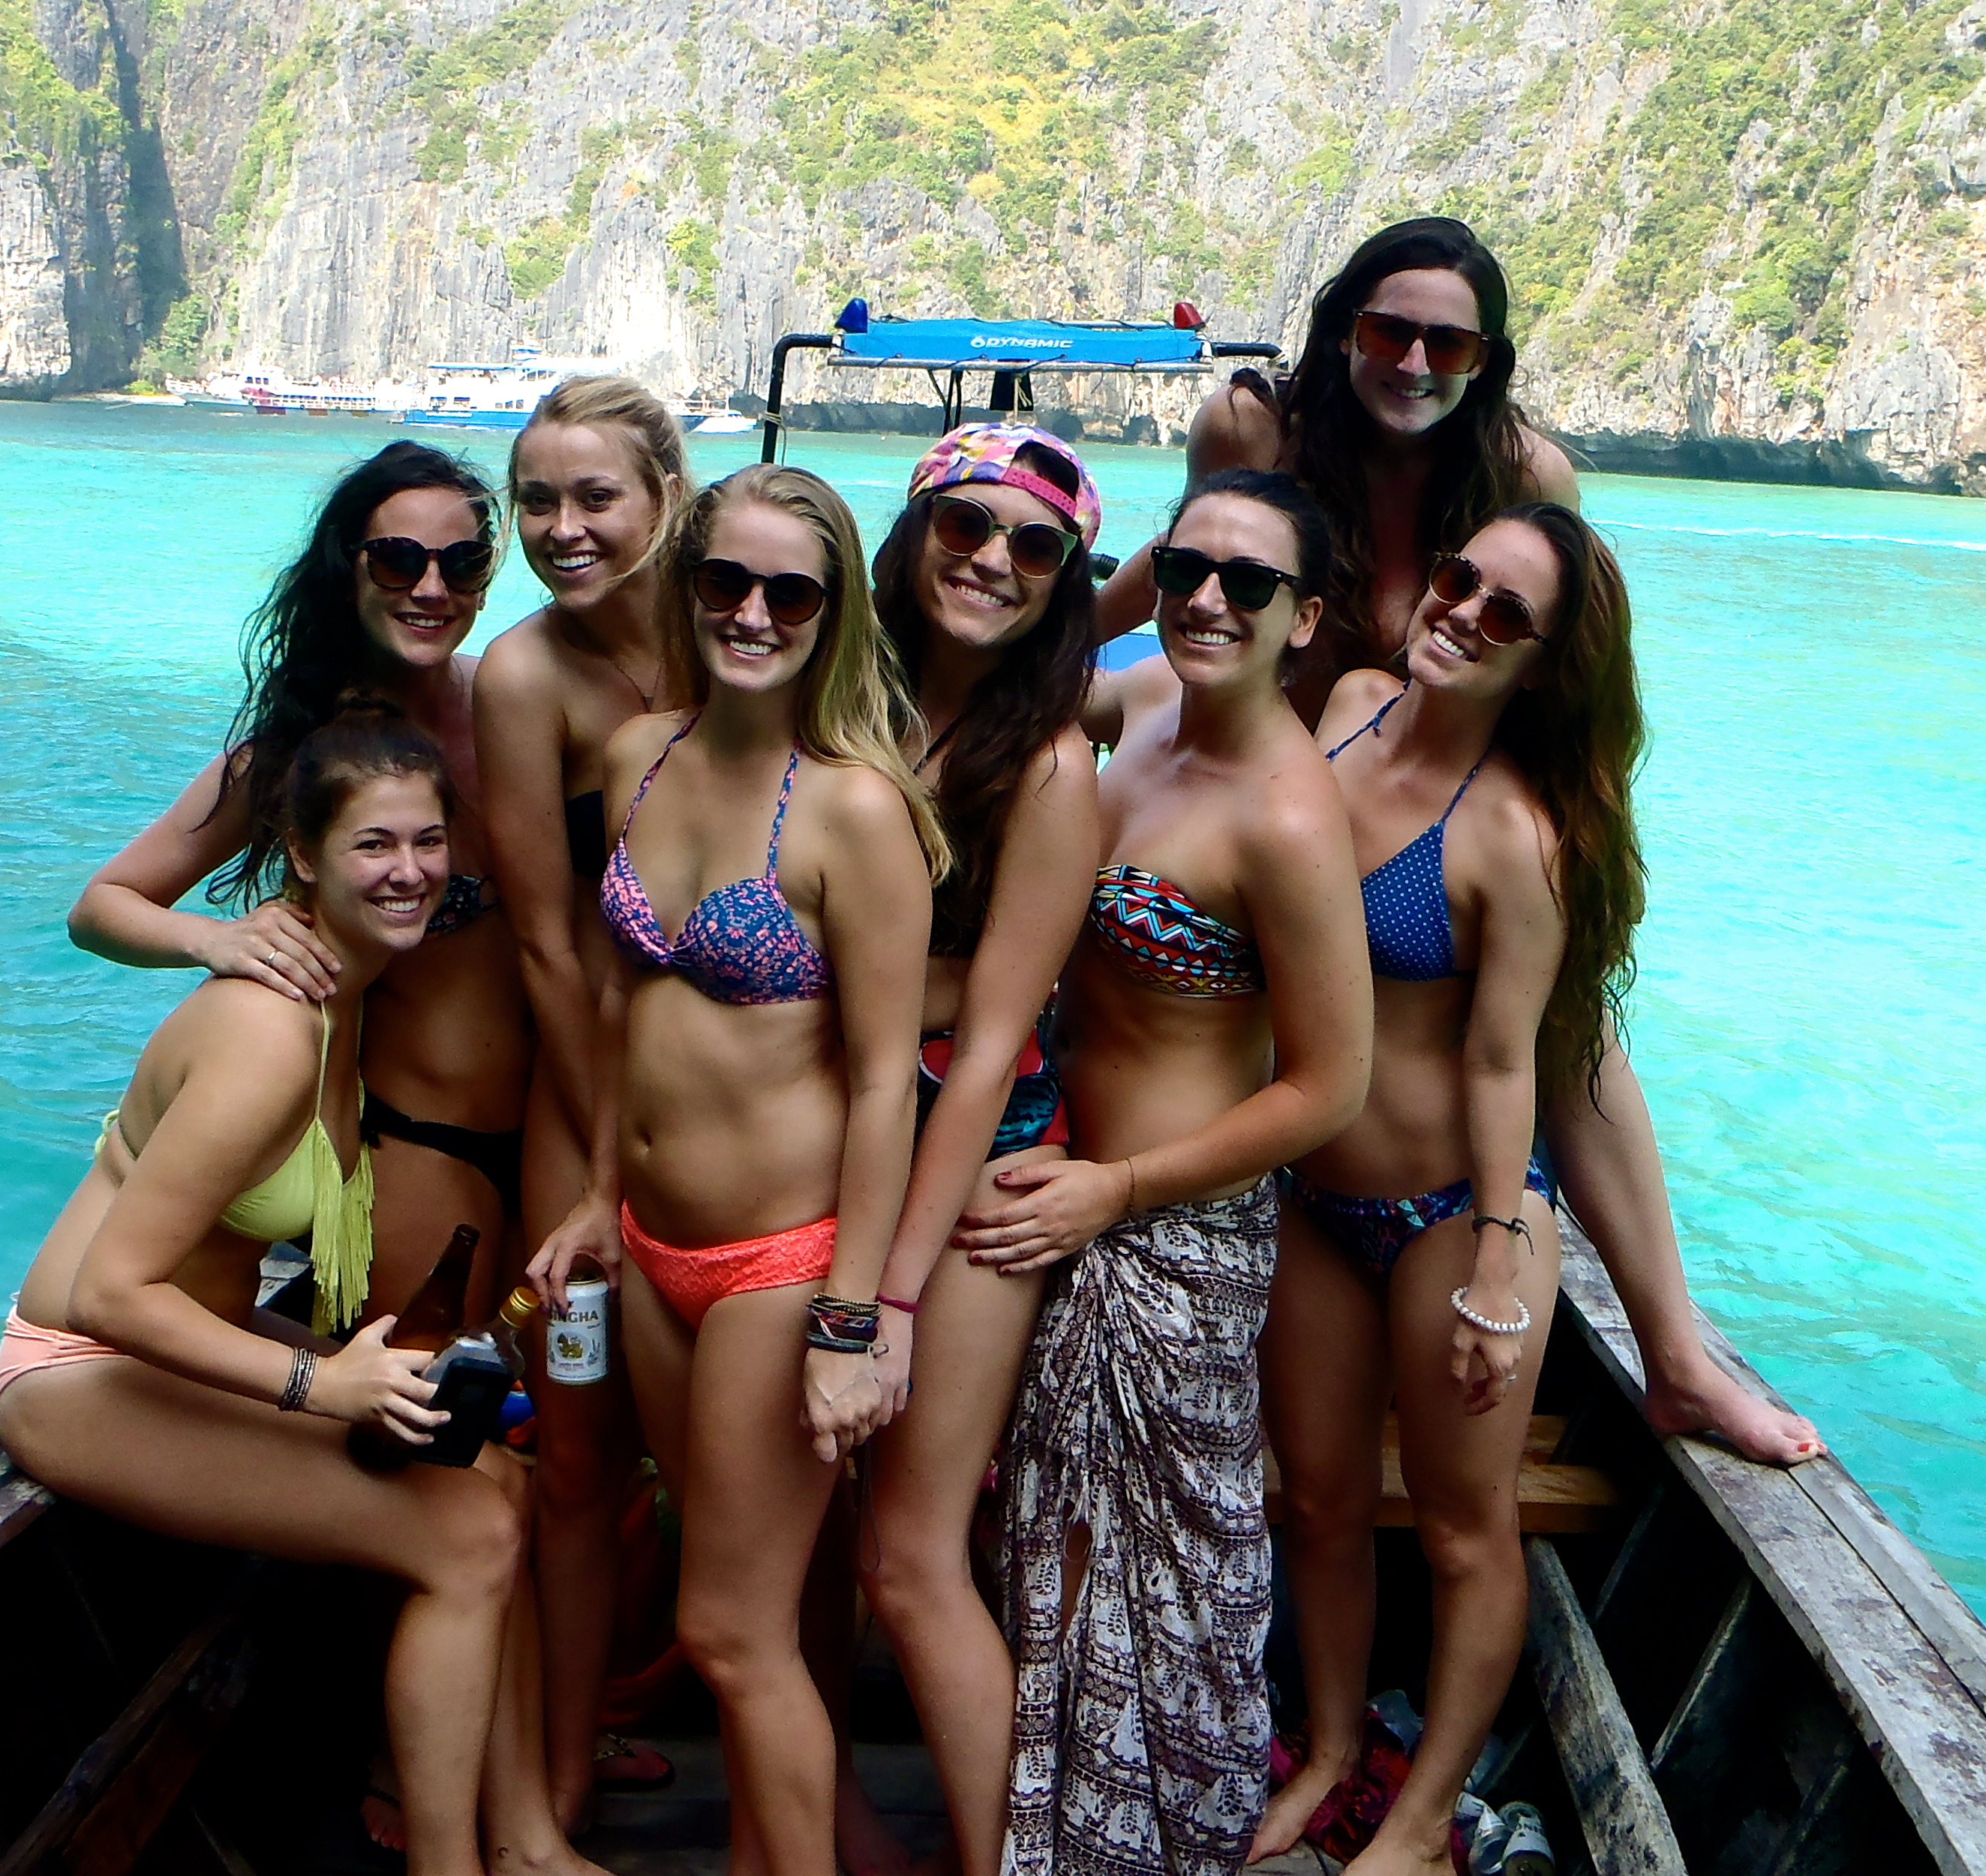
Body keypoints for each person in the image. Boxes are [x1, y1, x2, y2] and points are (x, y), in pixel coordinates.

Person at [1105, 217, 1819, 1469]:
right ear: (1343, 328)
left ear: (1488, 359)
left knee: (1565, 1021)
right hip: (1292, 783)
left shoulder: (1524, 471)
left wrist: (1569, 833)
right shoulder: (1256, 431)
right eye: (1390, 330)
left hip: (1447, 790)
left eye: (1451, 343)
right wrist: (1031, 648)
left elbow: (1568, 634)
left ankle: (1675, 1356)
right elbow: (1183, 568)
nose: (1415, 362)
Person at [0, 715, 590, 1876]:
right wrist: (324, 1383)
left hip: (186, 1346)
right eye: (374, 845)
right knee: (468, 1537)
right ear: (305, 856)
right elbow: (112, 1291)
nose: (410, 871)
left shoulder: (345, 996)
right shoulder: (268, 1033)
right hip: (80, 1372)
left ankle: (525, 1844)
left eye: (428, 841)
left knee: (498, 1479)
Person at [532, 464, 942, 1876]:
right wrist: (598, 1194)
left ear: (834, 615)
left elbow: (885, 1082)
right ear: (687, 583)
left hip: (781, 1263)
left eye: (790, 592)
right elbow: (614, 997)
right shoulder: (635, 753)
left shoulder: (856, 812)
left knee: (726, 1630)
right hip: (650, 1247)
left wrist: (850, 1318)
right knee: (744, 1625)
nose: (753, 613)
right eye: (726, 581)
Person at [969, 468, 1373, 1876]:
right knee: (1048, 1549)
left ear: (1303, 619)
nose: (1207, 600)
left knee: (1154, 1573)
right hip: (1057, 1183)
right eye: (1185, 568)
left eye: (1248, 583)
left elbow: (1329, 1084)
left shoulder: (1287, 816)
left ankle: (1146, 1845)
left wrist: (1121, 1190)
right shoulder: (1135, 710)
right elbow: (1003, 676)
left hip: (1172, 1234)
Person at [1254, 506, 1642, 1871]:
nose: (1464, 612)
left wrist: (1495, 1266)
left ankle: (1423, 1822)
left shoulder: (1515, 837)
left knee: (1464, 1528)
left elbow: (1500, 1063)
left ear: (1541, 664)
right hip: (1310, 1196)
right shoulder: (1345, 710)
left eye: (1506, 612)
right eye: (1458, 578)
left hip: (1449, 1216)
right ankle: (1332, 1751)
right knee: (1318, 1501)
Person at [62, 439, 530, 1332]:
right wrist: (215, 938)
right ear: (347, 570)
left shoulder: (518, 708)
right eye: (398, 560)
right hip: (419, 1138)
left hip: (555, 1126)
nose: (431, 588)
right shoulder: (301, 757)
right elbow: (101, 908)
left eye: (463, 562)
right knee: (425, 1387)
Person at [858, 425, 1105, 1876]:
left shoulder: (1050, 769)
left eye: (1033, 547)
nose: (992, 561)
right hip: (831, 1148)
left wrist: (888, 1299)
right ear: (911, 535)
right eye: (964, 526)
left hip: (973, 1171)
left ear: (1065, 581)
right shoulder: (841, 708)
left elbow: (998, 1031)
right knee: (809, 1548)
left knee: (909, 1556)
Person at [473, 377, 691, 1826]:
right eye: (536, 500)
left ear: (665, 492)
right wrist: (607, 1159)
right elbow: (548, 945)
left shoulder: (744, 624)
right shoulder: (523, 678)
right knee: (575, 1450)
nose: (562, 528)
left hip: (736, 1106)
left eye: (594, 495)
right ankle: (551, 1788)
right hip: (583, 1102)